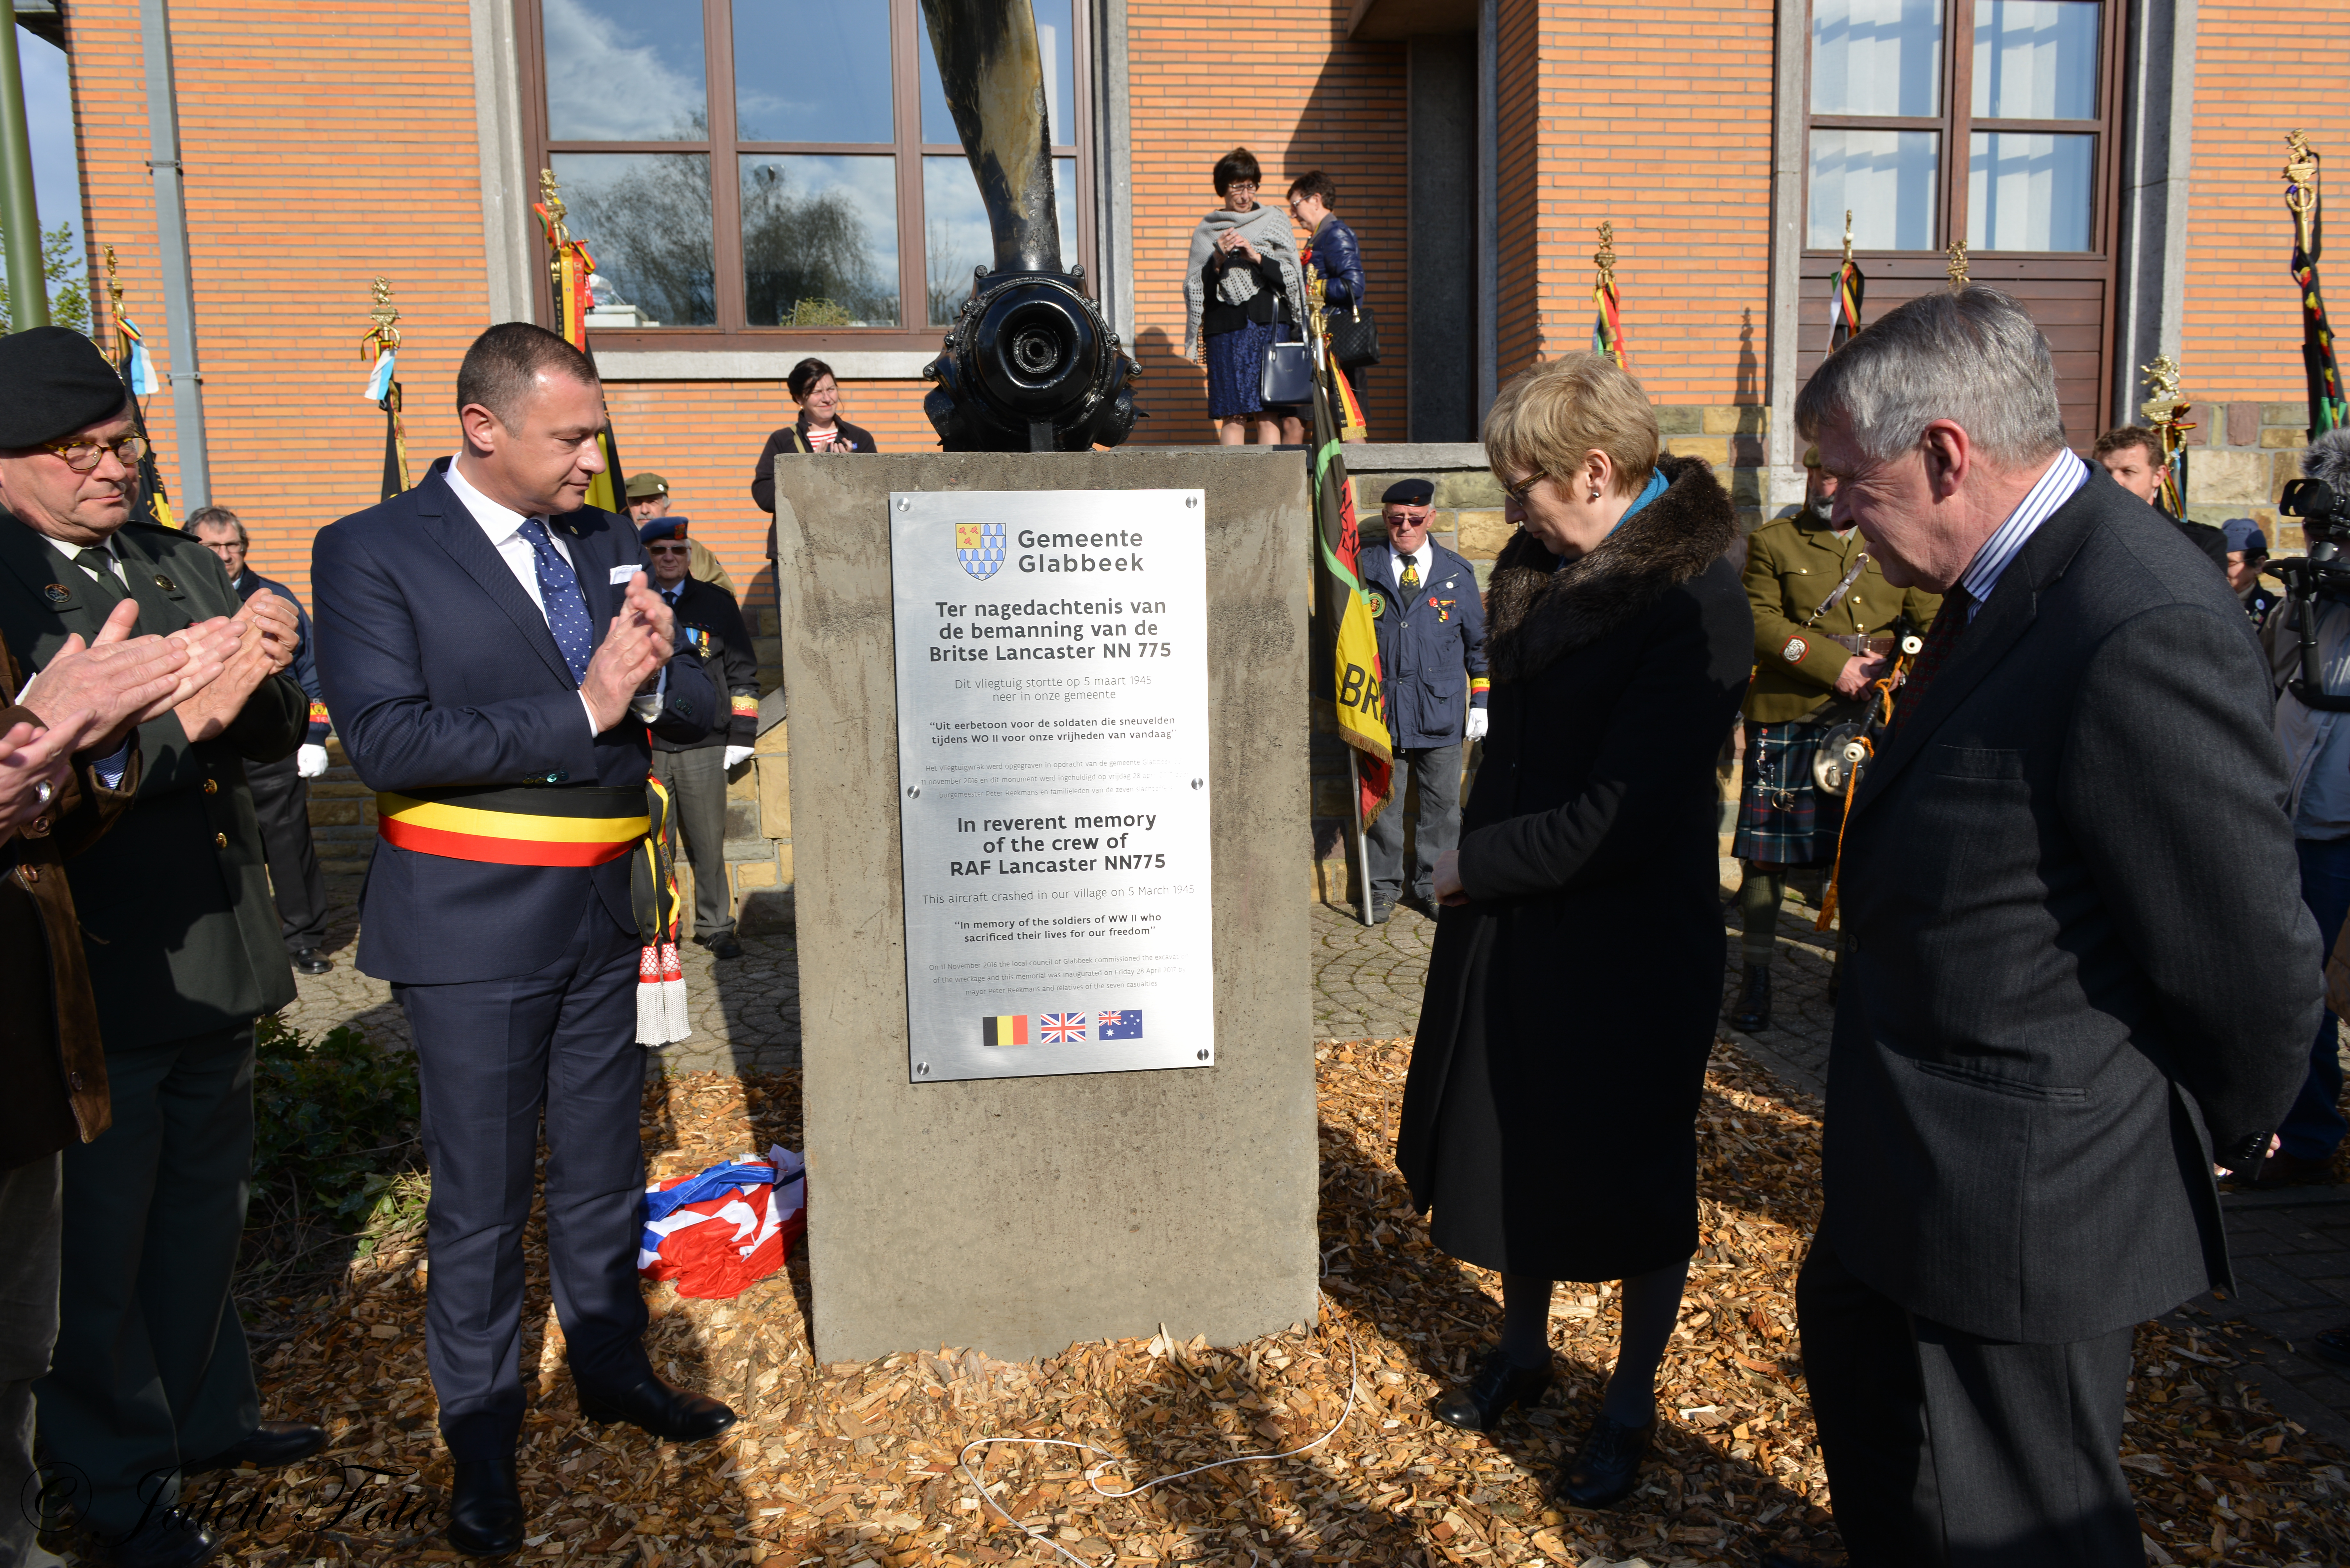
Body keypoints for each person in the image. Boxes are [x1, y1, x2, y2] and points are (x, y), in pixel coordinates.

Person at [1783, 287, 2316, 1568]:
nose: (1836, 515)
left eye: (1849, 482)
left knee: (2023, 1528)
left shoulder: (2137, 618)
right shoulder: (2001, 579)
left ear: (1946, 453)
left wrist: (2231, 1118)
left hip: (2021, 1196)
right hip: (1908, 1166)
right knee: (1883, 1450)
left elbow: (2244, 947)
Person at [312, 322, 726, 1558]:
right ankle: (483, 1435)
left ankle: (609, 1365)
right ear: (480, 428)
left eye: (595, 431)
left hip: (605, 913)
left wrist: (647, 685)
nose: (594, 460)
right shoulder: (373, 550)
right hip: (474, 925)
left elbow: (695, 696)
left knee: (602, 1170)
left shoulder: (600, 537)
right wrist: (587, 703)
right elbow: (387, 740)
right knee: (483, 1202)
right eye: (572, 436)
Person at [1396, 353, 1752, 1509]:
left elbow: (1622, 814)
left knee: (1636, 1174)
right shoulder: (1551, 563)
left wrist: (1472, 864)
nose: (1507, 510)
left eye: (1523, 485)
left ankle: (1630, 1400)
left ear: (1595, 472)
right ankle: (1525, 1350)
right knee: (1515, 1147)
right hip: (1524, 920)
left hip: (1632, 947)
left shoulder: (1694, 597)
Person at [0, 327, 321, 1568]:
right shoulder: (11, 584)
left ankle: (202, 1415)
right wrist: (195, 710)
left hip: (219, 953)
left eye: (121, 442)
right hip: (103, 960)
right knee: (97, 1249)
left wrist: (277, 659)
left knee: (201, 1212)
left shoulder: (171, 557)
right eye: (74, 451)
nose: (110, 468)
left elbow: (263, 722)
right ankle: (115, 1476)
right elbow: (72, 766)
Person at [1727, 446, 1939, 1031]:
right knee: (1766, 855)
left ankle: (1848, 973)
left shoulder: (1894, 537)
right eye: (1822, 474)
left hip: (1870, 716)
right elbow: (1762, 622)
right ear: (1810, 474)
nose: (1830, 486)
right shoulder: (1776, 541)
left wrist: (1901, 665)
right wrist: (1835, 667)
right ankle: (1757, 977)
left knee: (1859, 848)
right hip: (1792, 708)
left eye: (1842, 476)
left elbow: (1929, 619)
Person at [2255, 431, 2350, 1190]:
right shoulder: (2301, 602)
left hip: (2339, 820)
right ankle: (2299, 1131)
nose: (2319, 543)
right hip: (2293, 815)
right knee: (2294, 982)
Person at [186, 505, 336, 976]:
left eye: (234, 546)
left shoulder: (274, 596)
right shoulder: (178, 598)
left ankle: (306, 939)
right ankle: (235, 944)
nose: (227, 555)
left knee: (288, 846)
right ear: (195, 548)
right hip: (205, 749)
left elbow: (314, 676)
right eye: (214, 547)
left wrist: (314, 735)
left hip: (272, 747)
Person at [1357, 478, 1486, 922]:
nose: (1405, 528)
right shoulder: (1363, 569)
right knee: (1383, 809)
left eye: (1415, 519)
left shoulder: (1455, 572)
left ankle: (1435, 887)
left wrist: (1482, 702)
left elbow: (1479, 646)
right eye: (1396, 521)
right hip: (1381, 715)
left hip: (1441, 712)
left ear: (1431, 517)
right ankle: (1381, 888)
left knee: (1442, 811)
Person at [642, 516, 759, 961]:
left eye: (678, 551)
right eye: (659, 551)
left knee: (709, 843)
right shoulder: (629, 606)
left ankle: (716, 926)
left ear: (690, 556)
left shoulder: (716, 603)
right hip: (648, 746)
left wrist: (742, 732)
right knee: (653, 846)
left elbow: (743, 673)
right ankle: (657, 930)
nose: (669, 558)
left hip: (705, 745)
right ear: (647, 557)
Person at [1182, 148, 1306, 447]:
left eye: (1250, 186)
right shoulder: (1207, 231)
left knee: (1268, 414)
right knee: (1232, 415)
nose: (1244, 194)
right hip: (1225, 330)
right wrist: (1218, 258)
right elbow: (1195, 287)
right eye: (1237, 186)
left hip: (1268, 327)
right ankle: (1232, 490)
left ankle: (1270, 490)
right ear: (1223, 188)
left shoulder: (1275, 220)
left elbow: (1292, 274)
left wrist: (1257, 257)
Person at [1285, 169, 1368, 444]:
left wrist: (1313, 288)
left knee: (1347, 423)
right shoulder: (1321, 235)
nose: (1294, 214)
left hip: (1333, 343)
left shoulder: (1335, 234)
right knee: (1315, 420)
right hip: (1318, 342)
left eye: (1296, 204)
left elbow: (1353, 287)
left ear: (1316, 199)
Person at [749, 357, 879, 517]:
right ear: (799, 398)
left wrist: (849, 469)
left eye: (831, 389)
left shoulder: (860, 437)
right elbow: (764, 495)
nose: (827, 399)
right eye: (817, 392)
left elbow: (875, 491)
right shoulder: (782, 440)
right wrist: (809, 473)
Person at [2092, 424, 2228, 570]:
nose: (2114, 481)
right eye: (2105, 472)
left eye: (2128, 472)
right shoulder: (2080, 537)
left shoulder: (2200, 545)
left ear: (2158, 476)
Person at [625, 472, 735, 597]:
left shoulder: (695, 550)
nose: (644, 510)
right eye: (637, 502)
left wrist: (692, 586)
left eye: (652, 502)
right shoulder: (620, 549)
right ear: (629, 508)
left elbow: (725, 595)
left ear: (667, 508)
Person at [2223, 516, 2283, 623]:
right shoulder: (2203, 603)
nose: (2220, 569)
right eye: (2216, 562)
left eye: (2229, 563)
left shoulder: (2275, 611)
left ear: (2259, 565)